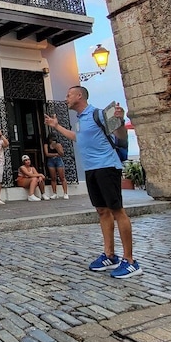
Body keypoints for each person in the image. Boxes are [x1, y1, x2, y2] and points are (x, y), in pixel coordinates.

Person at [44, 86, 142, 279]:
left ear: (79, 96)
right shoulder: (80, 120)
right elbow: (77, 138)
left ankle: (130, 261)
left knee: (117, 210)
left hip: (107, 167)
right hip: (91, 170)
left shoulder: (98, 114)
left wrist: (120, 121)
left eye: (68, 95)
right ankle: (109, 255)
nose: (66, 98)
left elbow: (120, 135)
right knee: (102, 211)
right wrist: (56, 126)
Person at [44, 134, 69, 199]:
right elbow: (47, 154)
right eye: (51, 139)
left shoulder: (58, 145)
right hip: (51, 161)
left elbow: (62, 154)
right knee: (53, 177)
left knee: (62, 177)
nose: (52, 141)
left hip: (58, 160)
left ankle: (65, 193)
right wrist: (55, 154)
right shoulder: (46, 145)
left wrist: (57, 148)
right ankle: (54, 193)